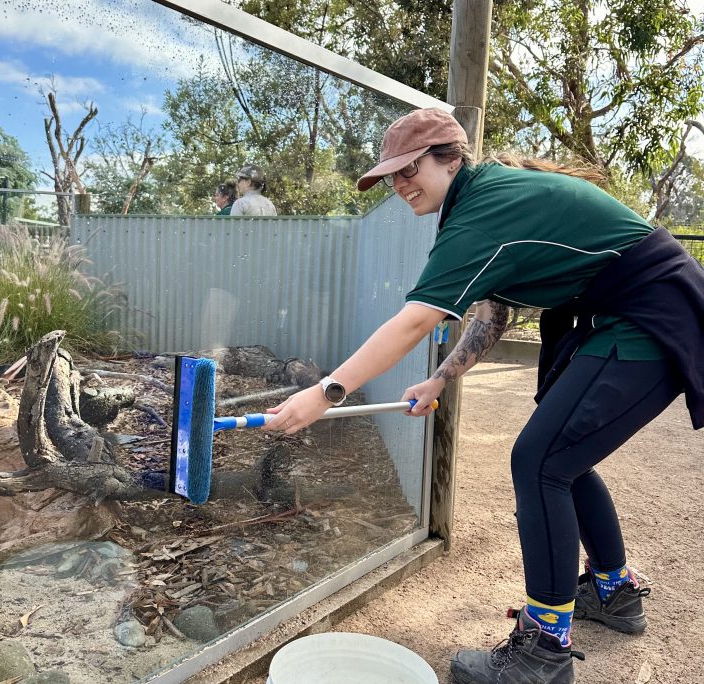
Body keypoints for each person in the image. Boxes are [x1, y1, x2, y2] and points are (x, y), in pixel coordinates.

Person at [263, 107, 704, 684]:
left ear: (450, 157)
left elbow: (415, 320)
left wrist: (326, 392)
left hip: (646, 315)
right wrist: (442, 378)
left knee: (540, 461)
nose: (399, 185)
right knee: (564, 458)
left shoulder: (483, 206)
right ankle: (613, 592)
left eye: (408, 169)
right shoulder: (478, 203)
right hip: (617, 315)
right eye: (390, 176)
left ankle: (544, 651)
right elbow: (494, 310)